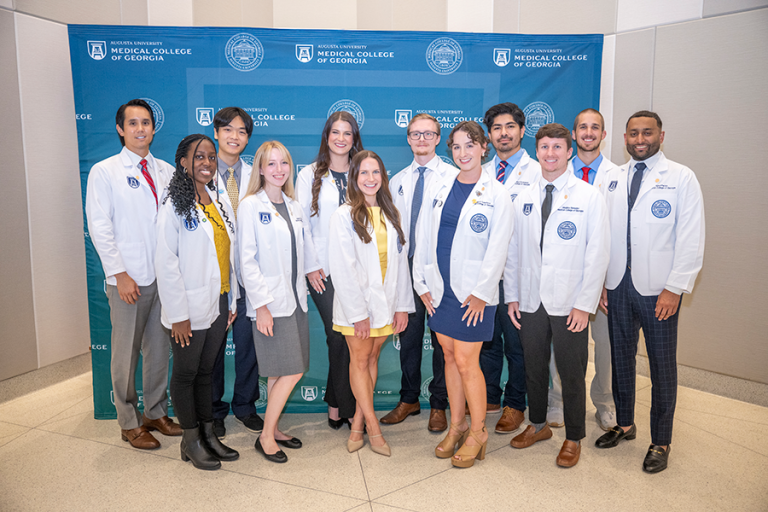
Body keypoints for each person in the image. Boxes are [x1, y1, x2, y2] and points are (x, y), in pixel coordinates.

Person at [595, 111, 705, 474]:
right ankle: (625, 424)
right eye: (633, 133)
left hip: (659, 289)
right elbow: (600, 235)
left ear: (661, 135)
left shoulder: (681, 177)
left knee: (661, 366)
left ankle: (661, 440)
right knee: (621, 361)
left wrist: (675, 288)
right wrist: (600, 284)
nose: (639, 139)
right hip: (617, 286)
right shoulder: (611, 178)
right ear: (624, 138)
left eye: (647, 133)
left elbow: (691, 236)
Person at [505, 123, 610, 468]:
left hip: (570, 303)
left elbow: (598, 254)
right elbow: (513, 251)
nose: (550, 153)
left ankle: (573, 436)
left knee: (571, 371)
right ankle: (538, 425)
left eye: (557, 148)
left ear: (569, 152)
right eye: (544, 147)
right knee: (534, 368)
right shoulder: (522, 197)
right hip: (531, 300)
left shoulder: (588, 196)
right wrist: (512, 296)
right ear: (537, 152)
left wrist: (585, 304)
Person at [413, 121, 513, 468]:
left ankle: (478, 432)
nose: (463, 153)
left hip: (473, 295)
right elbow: (424, 237)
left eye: (470, 145)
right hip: (440, 290)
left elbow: (498, 248)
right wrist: (422, 284)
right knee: (450, 356)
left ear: (484, 147)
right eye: (456, 147)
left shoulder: (497, 194)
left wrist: (483, 293)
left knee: (468, 363)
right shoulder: (441, 186)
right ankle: (457, 426)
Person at [85, 99, 181, 450]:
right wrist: (119, 274)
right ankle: (128, 421)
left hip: (162, 279)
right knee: (125, 353)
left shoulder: (167, 171)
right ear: (120, 129)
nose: (141, 129)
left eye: (146, 123)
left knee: (158, 351)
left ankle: (154, 412)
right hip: (128, 280)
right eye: (133, 123)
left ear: (154, 128)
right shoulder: (104, 171)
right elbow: (100, 227)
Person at [155, 134, 240, 470]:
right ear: (183, 163)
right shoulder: (173, 205)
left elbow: (226, 254)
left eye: (211, 158)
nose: (206, 163)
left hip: (218, 300)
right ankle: (190, 441)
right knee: (187, 372)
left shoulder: (217, 202)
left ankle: (208, 434)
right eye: (199, 157)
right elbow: (166, 262)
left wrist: (232, 298)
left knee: (207, 371)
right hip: (187, 307)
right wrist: (177, 314)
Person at [328, 150, 413, 457]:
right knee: (360, 361)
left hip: (387, 305)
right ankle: (373, 429)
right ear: (354, 177)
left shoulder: (392, 212)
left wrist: (402, 305)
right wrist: (358, 314)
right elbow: (342, 268)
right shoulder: (344, 214)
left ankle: (357, 425)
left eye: (375, 172)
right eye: (363, 173)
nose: (370, 178)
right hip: (357, 309)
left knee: (373, 360)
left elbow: (401, 264)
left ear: (383, 177)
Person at [545, 108, 619, 432]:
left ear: (604, 135)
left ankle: (604, 403)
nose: (588, 132)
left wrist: (603, 280)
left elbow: (616, 235)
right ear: (572, 137)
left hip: (608, 281)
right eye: (582, 128)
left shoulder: (619, 176)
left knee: (605, 347)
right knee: (560, 348)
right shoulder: (554, 175)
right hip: (563, 279)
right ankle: (558, 401)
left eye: (596, 127)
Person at [238, 141, 311, 463]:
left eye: (284, 163)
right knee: (292, 370)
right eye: (271, 164)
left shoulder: (294, 206)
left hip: (295, 300)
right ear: (260, 169)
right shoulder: (250, 205)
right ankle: (266, 437)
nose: (278, 170)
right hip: (270, 304)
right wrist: (262, 307)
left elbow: (302, 254)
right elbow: (246, 261)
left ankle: (274, 425)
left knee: (278, 372)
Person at [380, 114, 452, 433]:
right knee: (408, 338)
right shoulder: (397, 181)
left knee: (440, 340)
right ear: (408, 139)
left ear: (438, 138)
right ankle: (409, 399)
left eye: (428, 134)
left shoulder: (453, 177)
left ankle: (439, 404)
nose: (421, 139)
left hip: (438, 270)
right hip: (404, 269)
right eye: (415, 134)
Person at [296, 112, 363, 429]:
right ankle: (347, 409)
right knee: (337, 335)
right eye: (335, 132)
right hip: (322, 270)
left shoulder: (364, 172)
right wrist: (310, 266)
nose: (340, 138)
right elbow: (302, 227)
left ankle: (335, 404)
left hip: (356, 269)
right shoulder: (309, 175)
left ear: (354, 138)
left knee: (350, 337)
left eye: (347, 133)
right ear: (326, 136)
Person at [479, 102, 540, 435]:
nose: (504, 134)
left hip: (519, 275)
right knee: (488, 341)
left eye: (509, 127)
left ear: (521, 129)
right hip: (487, 274)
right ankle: (490, 396)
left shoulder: (537, 171)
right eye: (497, 128)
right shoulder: (482, 172)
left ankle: (516, 404)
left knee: (517, 345)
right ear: (489, 136)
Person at [210, 107, 263, 438]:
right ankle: (214, 409)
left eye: (241, 131)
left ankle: (245, 405)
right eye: (228, 129)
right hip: (214, 278)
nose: (234, 136)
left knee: (248, 344)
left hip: (249, 275)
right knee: (213, 349)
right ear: (216, 132)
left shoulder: (256, 175)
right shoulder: (199, 172)